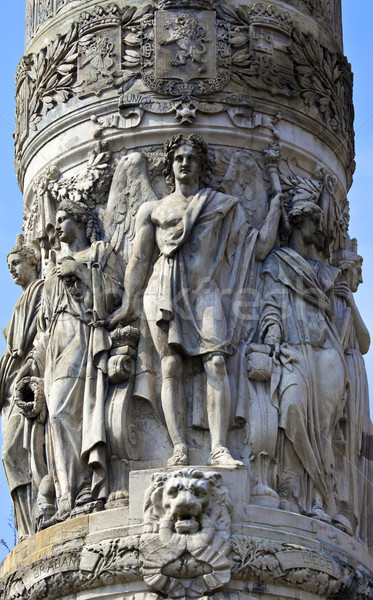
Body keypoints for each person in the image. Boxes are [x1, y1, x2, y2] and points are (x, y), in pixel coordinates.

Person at [109, 134, 282, 467]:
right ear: (170, 165)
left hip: (206, 290)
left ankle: (218, 447)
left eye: (191, 157)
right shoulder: (153, 209)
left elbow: (257, 248)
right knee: (170, 365)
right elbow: (139, 260)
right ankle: (179, 446)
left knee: (216, 361)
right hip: (163, 288)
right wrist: (129, 304)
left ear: (201, 165)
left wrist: (274, 210)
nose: (184, 162)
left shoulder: (221, 204)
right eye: (179, 157)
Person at [18, 200, 123, 523]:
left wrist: (78, 270)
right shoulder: (50, 276)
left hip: (82, 335)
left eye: (64, 218)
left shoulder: (99, 253)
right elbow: (42, 330)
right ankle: (66, 494)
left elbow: (114, 296)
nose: (57, 225)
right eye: (56, 219)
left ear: (80, 221)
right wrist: (32, 373)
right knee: (56, 418)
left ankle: (84, 488)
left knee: (67, 410)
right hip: (55, 347)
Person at [260, 200, 349, 526]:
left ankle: (321, 502)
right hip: (293, 351)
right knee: (293, 408)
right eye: (314, 222)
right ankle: (290, 488)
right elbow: (270, 303)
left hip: (326, 353)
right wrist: (271, 331)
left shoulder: (326, 273)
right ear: (298, 224)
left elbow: (338, 319)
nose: (320, 229)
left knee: (323, 429)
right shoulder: (277, 262)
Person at [0, 235, 45, 539]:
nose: (12, 270)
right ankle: (25, 526)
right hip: (12, 384)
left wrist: (30, 365)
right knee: (10, 453)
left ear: (32, 261)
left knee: (15, 449)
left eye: (16, 263)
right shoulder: (20, 301)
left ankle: (37, 518)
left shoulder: (41, 291)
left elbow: (44, 334)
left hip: (29, 380)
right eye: (9, 266)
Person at [332, 248, 372, 541]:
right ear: (348, 270)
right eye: (358, 270)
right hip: (341, 367)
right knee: (342, 442)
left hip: (353, 367)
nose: (361, 276)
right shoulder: (333, 299)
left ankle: (349, 511)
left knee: (354, 444)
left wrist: (351, 303)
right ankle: (342, 507)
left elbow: (365, 341)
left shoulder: (346, 300)